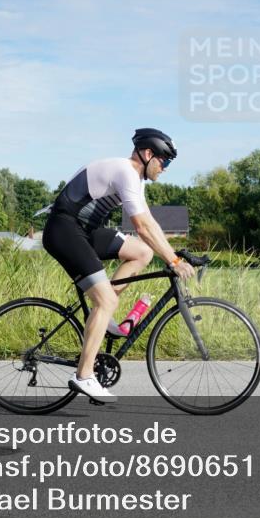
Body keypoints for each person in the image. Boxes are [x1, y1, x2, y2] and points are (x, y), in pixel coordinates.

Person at [42, 128, 196, 403]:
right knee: (105, 302)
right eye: (165, 161)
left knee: (142, 252)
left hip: (86, 230)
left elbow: (150, 224)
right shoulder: (125, 171)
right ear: (148, 154)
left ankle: (105, 310)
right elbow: (141, 226)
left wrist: (174, 253)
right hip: (64, 230)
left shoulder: (135, 180)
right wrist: (173, 260)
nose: (166, 168)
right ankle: (84, 376)